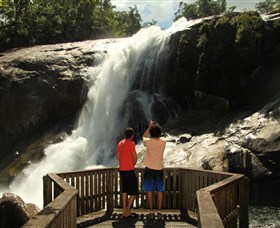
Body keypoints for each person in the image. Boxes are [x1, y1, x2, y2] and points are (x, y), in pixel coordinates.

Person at [142, 121, 166, 219]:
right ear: (160, 133)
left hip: (149, 169)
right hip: (159, 169)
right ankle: (159, 211)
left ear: (151, 132)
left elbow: (144, 135)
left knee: (149, 191)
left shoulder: (148, 142)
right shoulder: (163, 142)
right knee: (160, 191)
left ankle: (151, 211)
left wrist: (150, 126)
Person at [117, 127, 138, 218]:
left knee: (125, 191)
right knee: (134, 192)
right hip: (129, 170)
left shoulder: (120, 143)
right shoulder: (131, 143)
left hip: (122, 170)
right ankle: (128, 210)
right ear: (132, 135)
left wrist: (123, 162)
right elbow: (135, 157)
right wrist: (132, 164)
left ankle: (124, 212)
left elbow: (118, 157)